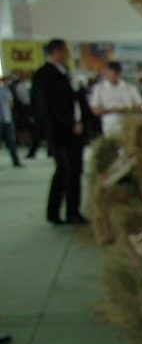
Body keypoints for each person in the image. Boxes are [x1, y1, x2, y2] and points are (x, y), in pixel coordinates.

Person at [33, 38, 87, 225]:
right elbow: (53, 106)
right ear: (56, 52)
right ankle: (71, 212)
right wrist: (71, 123)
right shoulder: (47, 75)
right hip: (63, 132)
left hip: (64, 131)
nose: (67, 55)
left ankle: (55, 212)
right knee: (70, 171)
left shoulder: (59, 74)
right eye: (65, 51)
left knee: (64, 171)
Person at [89, 61, 142, 138]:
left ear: (120, 74)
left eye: (116, 74)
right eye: (111, 73)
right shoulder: (99, 88)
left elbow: (140, 106)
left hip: (128, 124)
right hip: (109, 125)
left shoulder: (129, 88)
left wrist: (126, 109)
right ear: (107, 73)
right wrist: (111, 110)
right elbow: (95, 110)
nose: (113, 76)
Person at [12, 72, 39, 158]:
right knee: (24, 126)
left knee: (26, 127)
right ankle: (25, 142)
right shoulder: (20, 86)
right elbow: (25, 99)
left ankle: (28, 145)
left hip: (27, 109)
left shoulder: (24, 85)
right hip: (24, 109)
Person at [0, 80, 21, 167]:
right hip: (6, 118)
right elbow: (10, 103)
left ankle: (16, 161)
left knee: (12, 141)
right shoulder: (6, 91)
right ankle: (16, 161)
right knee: (11, 141)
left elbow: (11, 103)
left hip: (7, 118)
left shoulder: (6, 90)